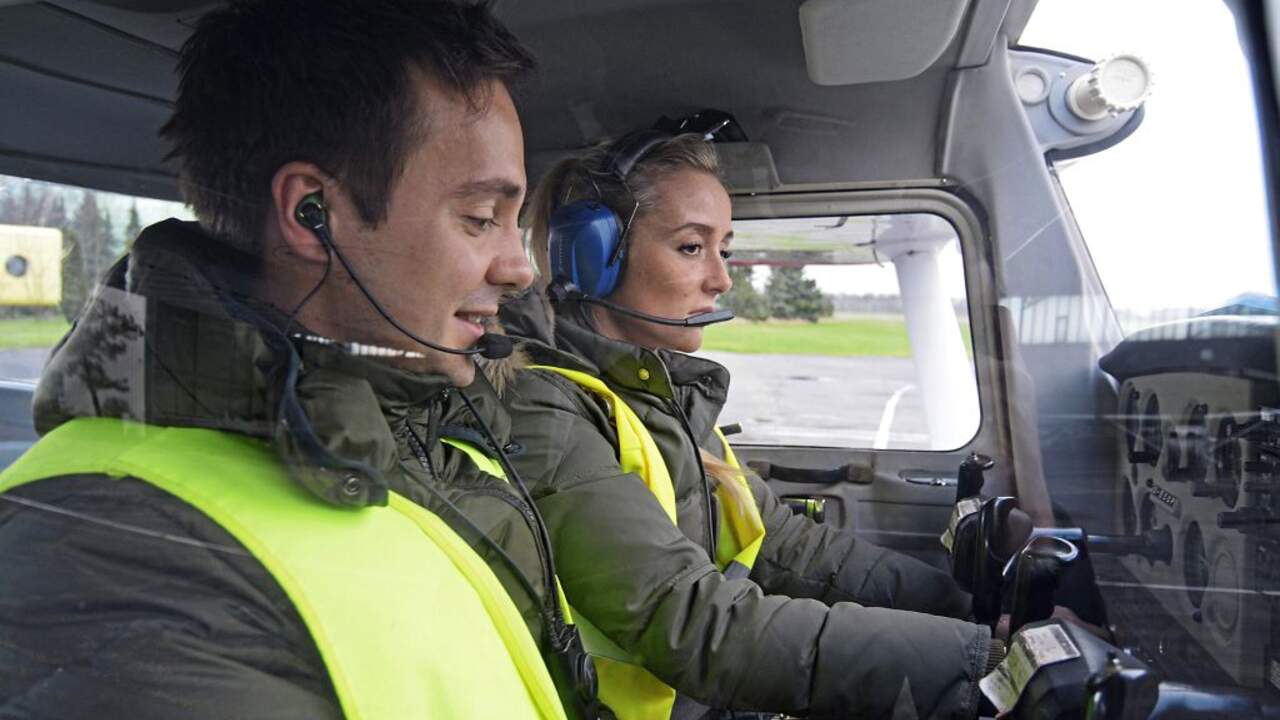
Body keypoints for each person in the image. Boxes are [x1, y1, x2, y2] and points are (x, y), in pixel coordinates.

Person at [0, 1, 589, 718]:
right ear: (314, 212)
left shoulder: (406, 411)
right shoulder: (125, 570)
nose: (517, 268)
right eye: (479, 218)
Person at [496, 130, 1004, 719]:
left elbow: (784, 543)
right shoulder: (546, 410)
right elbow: (687, 618)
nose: (721, 279)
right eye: (692, 247)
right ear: (593, 258)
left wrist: (964, 608)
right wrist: (979, 665)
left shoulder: (660, 396)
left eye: (725, 250)